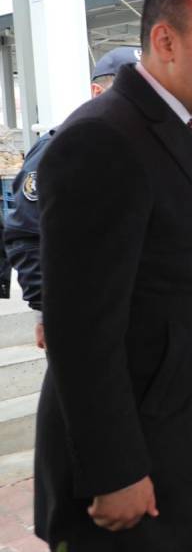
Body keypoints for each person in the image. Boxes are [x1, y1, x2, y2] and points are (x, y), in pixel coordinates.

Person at [34, 0, 192, 552]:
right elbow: (80, 328)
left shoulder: (184, 126)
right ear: (166, 41)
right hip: (124, 461)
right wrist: (113, 471)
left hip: (167, 440)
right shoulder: (103, 137)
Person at [4, 47, 140, 349]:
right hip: (84, 314)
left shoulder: (148, 150)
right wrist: (44, 309)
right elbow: (27, 233)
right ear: (96, 91)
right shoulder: (62, 148)